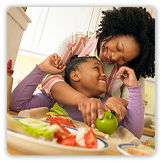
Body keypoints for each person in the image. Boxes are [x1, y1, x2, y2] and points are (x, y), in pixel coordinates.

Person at [40, 7, 155, 128]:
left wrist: (118, 102)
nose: (115, 58)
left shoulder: (132, 69)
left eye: (124, 59)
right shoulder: (74, 42)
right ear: (113, 29)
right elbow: (49, 78)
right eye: (118, 47)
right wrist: (83, 101)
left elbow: (135, 109)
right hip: (57, 121)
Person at [10, 54, 144, 138]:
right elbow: (16, 104)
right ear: (75, 75)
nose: (104, 74)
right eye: (97, 68)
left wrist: (134, 88)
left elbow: (134, 134)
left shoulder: (106, 107)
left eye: (104, 71)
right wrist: (41, 69)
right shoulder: (53, 102)